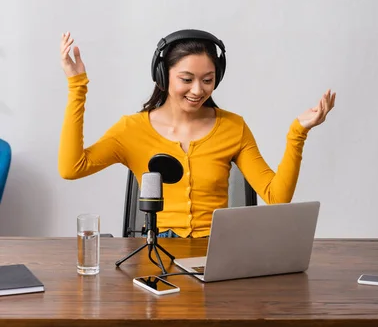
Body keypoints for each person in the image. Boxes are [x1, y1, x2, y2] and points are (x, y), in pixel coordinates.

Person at [58, 29, 335, 239]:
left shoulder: (233, 127)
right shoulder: (132, 129)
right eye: (186, 79)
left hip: (217, 251)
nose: (198, 90)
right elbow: (71, 168)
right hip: (157, 251)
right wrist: (76, 86)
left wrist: (297, 133)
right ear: (163, 76)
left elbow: (277, 197)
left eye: (208, 80)